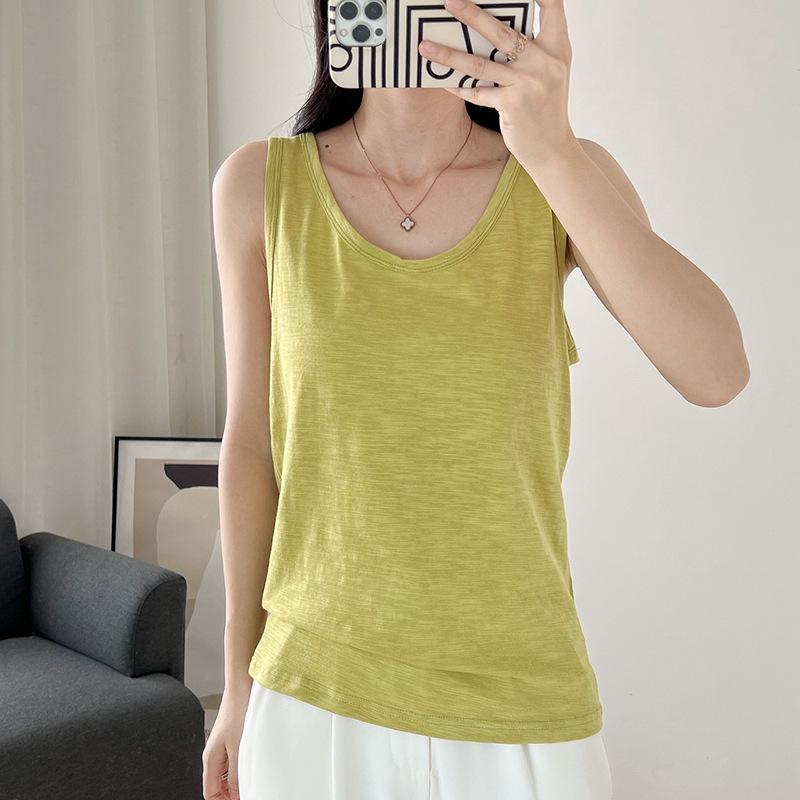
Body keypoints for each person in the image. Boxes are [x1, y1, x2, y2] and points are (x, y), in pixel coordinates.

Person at [203, 1, 750, 798]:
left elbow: (717, 372)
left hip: (522, 697)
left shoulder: (559, 174)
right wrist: (236, 686)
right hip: (312, 694)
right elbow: (251, 446)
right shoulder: (258, 185)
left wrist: (553, 149)